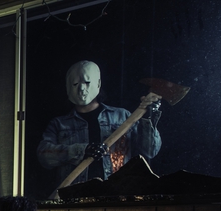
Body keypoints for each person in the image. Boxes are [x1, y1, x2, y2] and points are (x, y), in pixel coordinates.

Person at [36, 60, 162, 192]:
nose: (81, 88)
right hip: (75, 196)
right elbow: (44, 156)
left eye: (87, 82)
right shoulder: (59, 124)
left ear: (98, 83)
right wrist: (81, 150)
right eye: (75, 83)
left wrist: (147, 118)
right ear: (68, 86)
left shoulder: (122, 117)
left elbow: (150, 150)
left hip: (116, 195)